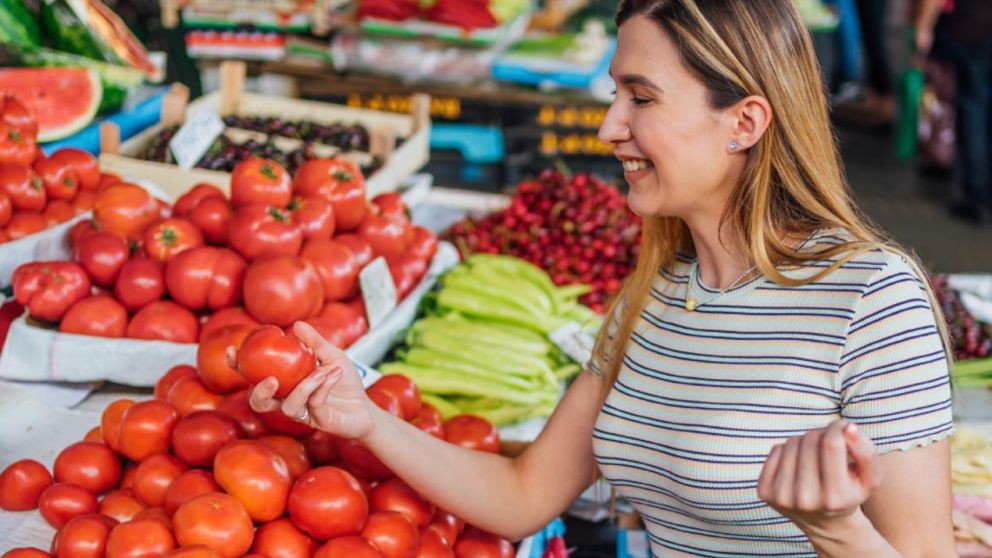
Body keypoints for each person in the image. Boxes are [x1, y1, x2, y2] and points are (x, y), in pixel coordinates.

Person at [251, 1, 958, 555]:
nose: (608, 127)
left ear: (744, 122)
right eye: (615, 94)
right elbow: (524, 494)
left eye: (640, 99)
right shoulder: (656, 294)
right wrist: (368, 421)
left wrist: (837, 531)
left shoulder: (872, 298)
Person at [914, 0, 992, 225]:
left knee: (972, 111)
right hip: (979, 31)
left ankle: (977, 196)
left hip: (971, 30)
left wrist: (923, 27)